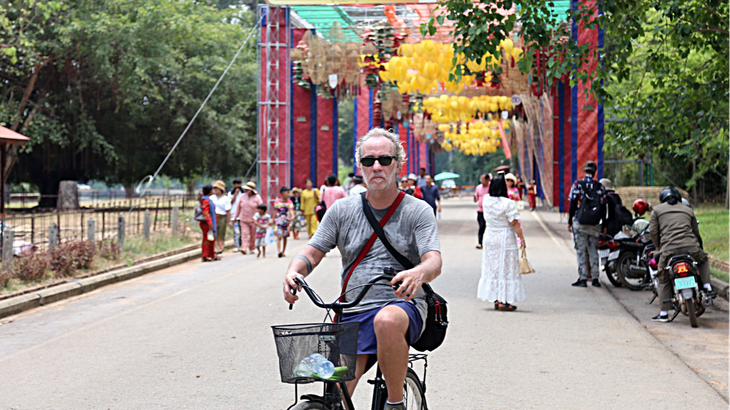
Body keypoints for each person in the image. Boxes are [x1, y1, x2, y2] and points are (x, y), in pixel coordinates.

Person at [283, 127, 442, 410]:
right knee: (335, 400)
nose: (377, 166)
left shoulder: (418, 211)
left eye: (384, 159)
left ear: (398, 163)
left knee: (386, 321)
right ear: (361, 167)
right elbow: (312, 252)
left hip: (401, 305)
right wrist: (295, 271)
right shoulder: (342, 211)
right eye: (369, 161)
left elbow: (433, 261)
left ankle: (395, 404)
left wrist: (418, 273)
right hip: (353, 310)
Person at [649, 186, 715, 322]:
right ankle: (707, 285)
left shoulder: (657, 210)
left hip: (668, 249)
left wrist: (657, 246)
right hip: (690, 247)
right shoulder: (687, 209)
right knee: (702, 259)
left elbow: (653, 232)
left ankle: (663, 313)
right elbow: (696, 232)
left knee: (663, 276)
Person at [477, 174, 527, 311]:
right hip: (505, 237)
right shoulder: (507, 203)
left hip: (490, 236)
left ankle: (496, 298)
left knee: (493, 267)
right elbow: (514, 223)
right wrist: (521, 238)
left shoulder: (486, 200)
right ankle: (504, 301)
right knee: (506, 268)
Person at [568, 161, 607, 287]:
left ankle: (583, 278)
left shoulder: (577, 184)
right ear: (595, 171)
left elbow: (573, 203)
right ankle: (595, 278)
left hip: (580, 223)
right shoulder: (600, 187)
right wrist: (604, 223)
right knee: (593, 251)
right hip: (595, 224)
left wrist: (570, 220)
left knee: (580, 251)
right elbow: (603, 206)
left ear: (585, 171)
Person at [233, 181, 263, 255]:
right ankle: (244, 247)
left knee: (253, 234)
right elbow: (238, 208)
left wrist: (262, 218)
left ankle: (252, 247)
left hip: (254, 219)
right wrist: (235, 217)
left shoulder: (257, 198)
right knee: (244, 233)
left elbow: (261, 207)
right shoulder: (242, 196)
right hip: (243, 218)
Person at [274, 187, 295, 258]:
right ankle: (279, 251)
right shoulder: (277, 201)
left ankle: (283, 251)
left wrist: (292, 216)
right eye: (287, 192)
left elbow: (291, 210)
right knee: (279, 236)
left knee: (285, 236)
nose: (288, 194)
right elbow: (275, 211)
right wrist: (272, 219)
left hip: (286, 221)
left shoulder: (289, 202)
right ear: (282, 193)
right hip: (279, 221)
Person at [212, 180, 231, 257]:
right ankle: (214, 248)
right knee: (214, 232)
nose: (216, 190)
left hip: (222, 216)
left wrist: (229, 221)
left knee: (221, 232)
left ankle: (220, 248)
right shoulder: (212, 198)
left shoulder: (226, 199)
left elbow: (228, 210)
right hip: (214, 216)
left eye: (217, 188)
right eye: (215, 188)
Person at [199, 184, 217, 262]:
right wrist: (209, 222)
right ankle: (205, 255)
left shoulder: (207, 199)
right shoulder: (206, 200)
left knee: (211, 238)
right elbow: (205, 212)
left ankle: (211, 254)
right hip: (207, 223)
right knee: (207, 239)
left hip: (209, 222)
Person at [474, 173, 491, 249]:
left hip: (490, 210)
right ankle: (480, 242)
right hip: (480, 210)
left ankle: (488, 242)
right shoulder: (478, 187)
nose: (481, 181)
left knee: (489, 227)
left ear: (487, 180)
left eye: (483, 179)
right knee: (482, 226)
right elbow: (476, 199)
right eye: (481, 179)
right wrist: (474, 198)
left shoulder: (491, 186)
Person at [229, 178, 244, 252]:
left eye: (239, 184)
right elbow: (230, 203)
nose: (238, 186)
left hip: (242, 215)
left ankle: (242, 245)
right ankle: (236, 245)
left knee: (242, 231)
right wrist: (235, 195)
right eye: (236, 184)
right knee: (235, 232)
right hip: (234, 214)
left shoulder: (244, 193)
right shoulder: (230, 193)